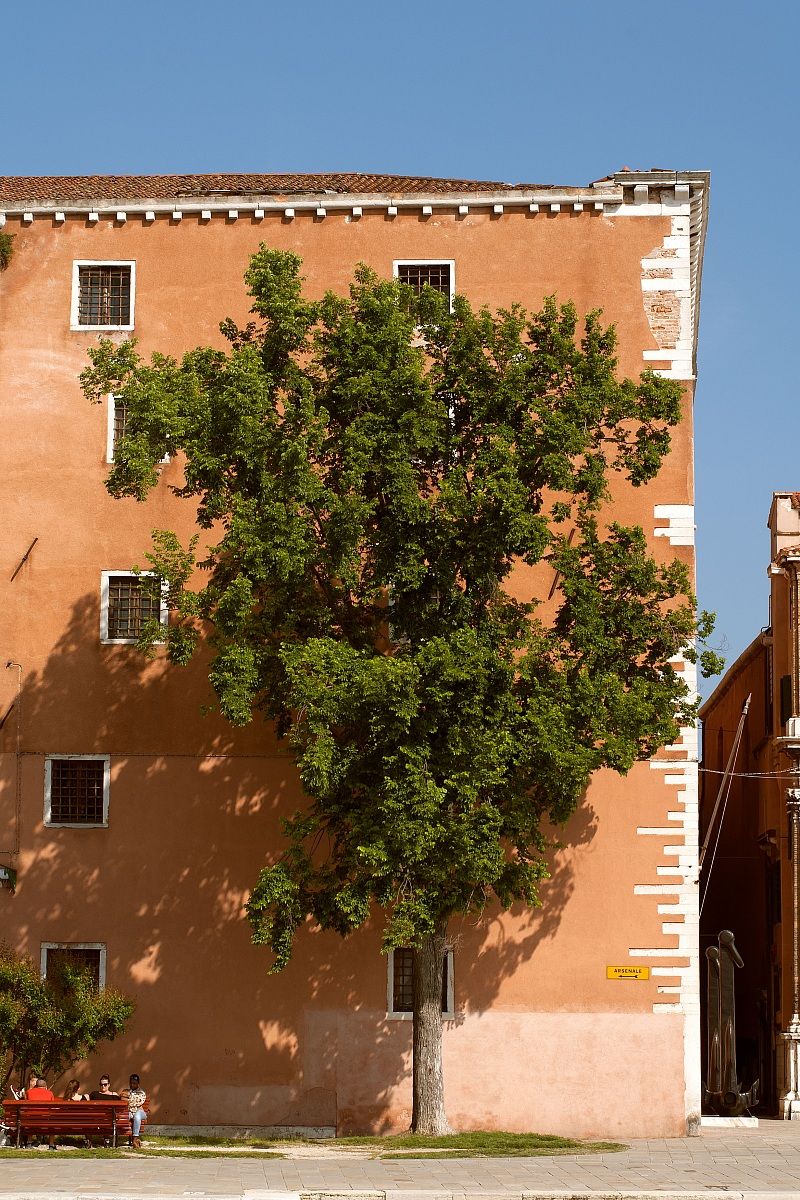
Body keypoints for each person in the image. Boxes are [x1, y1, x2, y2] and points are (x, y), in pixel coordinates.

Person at [121, 1073, 147, 1148]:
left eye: (134, 1083)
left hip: (140, 1112)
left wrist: (127, 1098)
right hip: (130, 1112)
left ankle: (135, 1139)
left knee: (137, 1116)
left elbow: (135, 1102)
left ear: (138, 1083)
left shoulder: (141, 1093)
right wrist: (126, 1098)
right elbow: (122, 1099)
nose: (132, 1085)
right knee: (123, 1116)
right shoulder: (127, 1091)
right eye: (131, 1083)